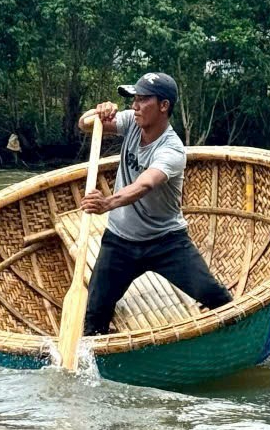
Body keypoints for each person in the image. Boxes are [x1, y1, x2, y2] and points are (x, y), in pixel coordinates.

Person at [77, 72, 232, 336]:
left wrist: (107, 203)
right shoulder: (131, 122)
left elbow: (145, 184)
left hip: (166, 242)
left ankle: (235, 340)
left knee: (216, 298)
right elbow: (85, 125)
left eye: (142, 100)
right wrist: (96, 111)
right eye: (133, 99)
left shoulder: (171, 150)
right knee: (94, 316)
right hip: (120, 241)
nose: (134, 106)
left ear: (164, 106)